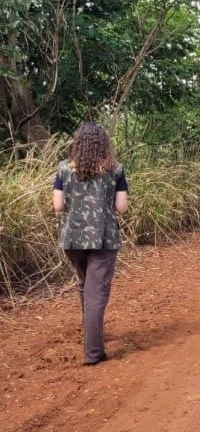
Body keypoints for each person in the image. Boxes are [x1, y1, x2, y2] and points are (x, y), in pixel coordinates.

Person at [53, 121, 129, 366]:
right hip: (104, 238)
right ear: (103, 144)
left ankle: (91, 335)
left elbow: (58, 206)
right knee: (96, 292)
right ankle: (94, 352)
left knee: (86, 285)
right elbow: (121, 208)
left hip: (72, 239)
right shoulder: (115, 170)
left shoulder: (64, 169)